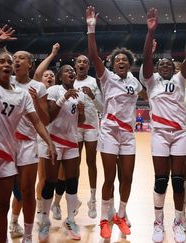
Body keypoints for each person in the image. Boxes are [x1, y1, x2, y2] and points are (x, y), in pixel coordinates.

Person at [0, 26, 55, 243]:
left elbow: (38, 122)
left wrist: (49, 143)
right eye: (2, 61)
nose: (7, 63)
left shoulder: (22, 95)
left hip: (8, 155)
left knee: (4, 206)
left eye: (9, 61)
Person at [86, 5, 145, 239]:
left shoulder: (135, 83)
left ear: (129, 64)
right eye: (117, 59)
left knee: (127, 177)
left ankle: (120, 214)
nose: (121, 61)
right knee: (109, 178)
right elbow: (93, 55)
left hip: (128, 135)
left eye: (124, 60)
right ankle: (104, 218)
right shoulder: (106, 77)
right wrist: (91, 28)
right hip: (109, 132)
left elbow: (146, 93)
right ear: (112, 64)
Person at [142, 8, 186, 243]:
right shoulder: (151, 82)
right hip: (160, 136)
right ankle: (157, 222)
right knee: (160, 179)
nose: (164, 66)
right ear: (156, 68)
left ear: (173, 68)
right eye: (160, 64)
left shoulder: (180, 81)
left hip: (180, 134)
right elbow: (145, 58)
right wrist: (150, 32)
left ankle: (179, 220)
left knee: (178, 179)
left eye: (168, 64)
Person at [38, 64, 85, 241]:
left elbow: (80, 121)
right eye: (67, 70)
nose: (71, 72)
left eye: (72, 71)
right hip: (54, 142)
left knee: (72, 182)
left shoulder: (78, 93)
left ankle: (71, 220)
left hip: (71, 142)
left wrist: (81, 113)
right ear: (60, 76)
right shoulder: (55, 90)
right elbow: (49, 116)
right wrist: (63, 98)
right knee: (50, 182)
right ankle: (44, 221)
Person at [73, 54, 104, 219]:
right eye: (79, 61)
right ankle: (74, 199)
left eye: (85, 61)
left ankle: (92, 200)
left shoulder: (93, 82)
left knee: (91, 162)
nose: (82, 63)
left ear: (88, 65)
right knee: (74, 164)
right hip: (75, 127)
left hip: (91, 127)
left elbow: (102, 107)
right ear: (76, 65)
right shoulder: (70, 81)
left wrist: (92, 96)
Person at [32, 43, 59, 226]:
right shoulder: (38, 92)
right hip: (43, 138)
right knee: (43, 177)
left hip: (60, 139)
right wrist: (52, 54)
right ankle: (41, 209)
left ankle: (54, 205)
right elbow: (36, 75)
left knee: (57, 178)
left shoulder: (58, 93)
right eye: (46, 75)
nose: (48, 76)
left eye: (52, 75)